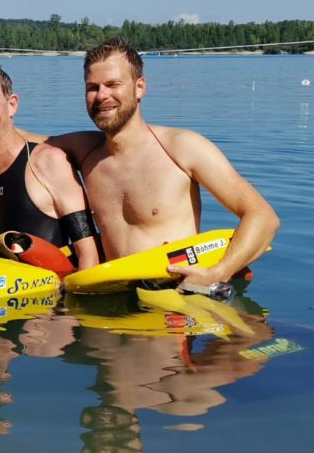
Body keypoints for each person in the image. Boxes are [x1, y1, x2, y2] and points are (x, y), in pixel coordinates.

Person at [54, 38, 280, 284]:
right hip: (115, 297)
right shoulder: (87, 153)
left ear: (140, 87)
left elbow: (263, 218)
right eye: (92, 87)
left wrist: (219, 272)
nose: (102, 96)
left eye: (113, 84)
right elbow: (20, 142)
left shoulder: (182, 147)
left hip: (181, 297)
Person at [0, 62, 99, 269]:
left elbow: (90, 256)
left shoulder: (47, 163)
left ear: (12, 104)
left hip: (56, 297)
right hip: (3, 297)